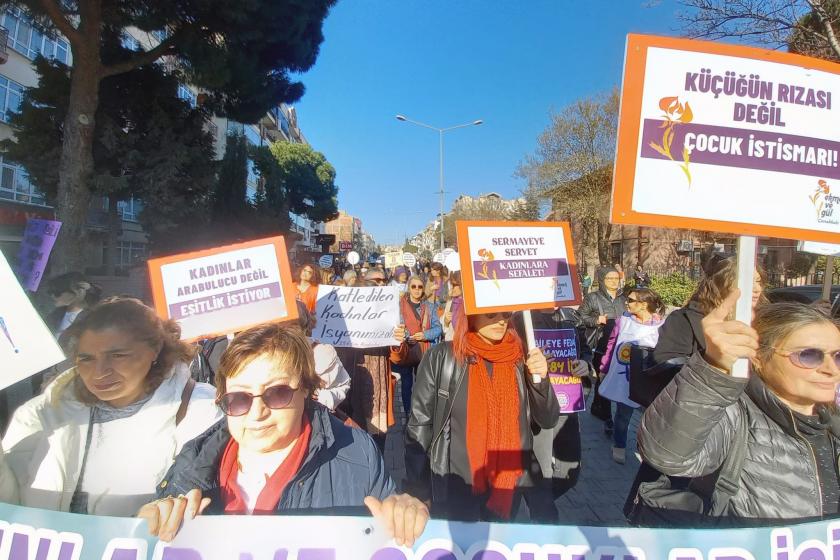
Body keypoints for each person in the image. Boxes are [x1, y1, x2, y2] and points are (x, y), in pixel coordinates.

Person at [139, 322, 428, 545]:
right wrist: (148, 526)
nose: (257, 413)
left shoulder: (356, 452)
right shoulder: (192, 462)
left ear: (306, 389)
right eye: (239, 399)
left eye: (277, 393)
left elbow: (391, 537)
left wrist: (403, 515)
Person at [0, 297, 222, 516]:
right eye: (86, 359)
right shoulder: (41, 413)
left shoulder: (200, 410)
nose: (100, 372)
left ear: (155, 349)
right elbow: (12, 508)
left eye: (117, 356)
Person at [638, 294, 840, 522]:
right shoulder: (735, 413)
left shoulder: (832, 423)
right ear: (759, 357)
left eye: (838, 356)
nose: (830, 369)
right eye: (809, 355)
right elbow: (668, 455)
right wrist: (712, 366)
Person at [405, 305, 560, 522]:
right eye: (490, 314)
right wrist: (418, 489)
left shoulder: (521, 356)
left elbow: (548, 418)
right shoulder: (442, 357)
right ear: (472, 317)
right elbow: (420, 425)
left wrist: (541, 380)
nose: (500, 321)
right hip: (455, 486)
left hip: (506, 489)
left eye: (506, 314)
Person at [598, 288, 665, 464]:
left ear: (644, 305)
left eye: (631, 300)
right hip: (624, 378)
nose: (626, 302)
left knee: (649, 418)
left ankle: (645, 448)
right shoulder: (623, 321)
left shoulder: (661, 325)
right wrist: (604, 367)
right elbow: (611, 344)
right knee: (623, 414)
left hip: (648, 379)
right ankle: (619, 444)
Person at [578, 266, 627, 435]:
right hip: (600, 344)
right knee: (604, 378)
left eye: (616, 278)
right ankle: (606, 415)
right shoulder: (593, 298)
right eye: (610, 278)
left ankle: (598, 407)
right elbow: (580, 317)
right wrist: (595, 320)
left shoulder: (623, 298)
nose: (614, 281)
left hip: (620, 345)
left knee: (607, 380)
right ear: (602, 280)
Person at [393, 275, 442, 418]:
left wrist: (425, 335)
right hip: (406, 350)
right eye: (413, 286)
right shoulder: (399, 306)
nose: (416, 290)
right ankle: (408, 414)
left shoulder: (430, 307)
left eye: (420, 287)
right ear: (409, 288)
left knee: (423, 385)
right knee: (406, 385)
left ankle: (422, 413)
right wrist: (408, 336)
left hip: (424, 351)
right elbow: (395, 326)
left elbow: (438, 328)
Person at [45, 271, 103, 341]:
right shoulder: (55, 315)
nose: (53, 296)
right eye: (50, 292)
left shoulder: (91, 319)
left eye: (58, 292)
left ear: (78, 292)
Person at [442, 271, 463, 342]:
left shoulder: (469, 304)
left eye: (454, 285)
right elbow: (445, 329)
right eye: (450, 284)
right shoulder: (450, 301)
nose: (451, 288)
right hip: (451, 343)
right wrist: (446, 322)